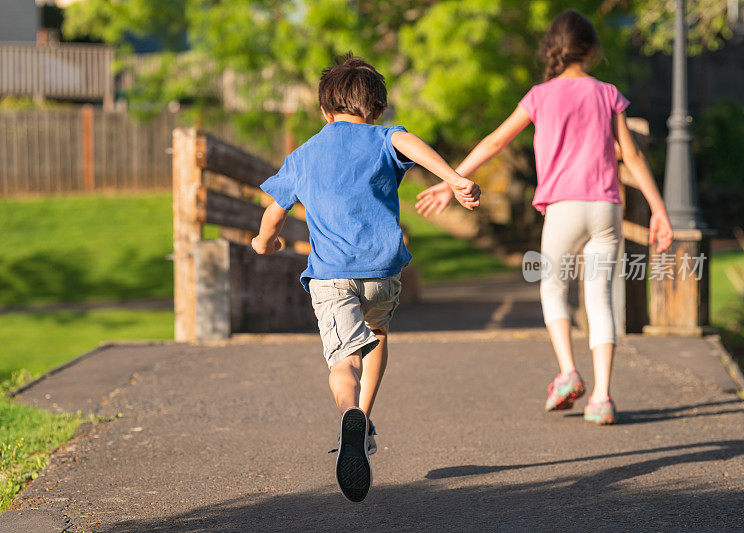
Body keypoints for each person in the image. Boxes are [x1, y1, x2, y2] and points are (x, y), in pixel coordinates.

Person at [415, 10, 673, 425]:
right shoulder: (607, 93)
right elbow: (634, 155)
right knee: (599, 298)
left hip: (564, 208)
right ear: (591, 51)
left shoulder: (539, 96)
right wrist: (659, 209)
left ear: (553, 49)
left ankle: (569, 373)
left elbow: (497, 140)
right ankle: (603, 398)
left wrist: (451, 180)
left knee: (553, 289)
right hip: (606, 207)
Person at [251, 53, 480, 501]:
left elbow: (274, 213)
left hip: (332, 276)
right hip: (382, 271)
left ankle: (349, 416)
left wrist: (264, 242)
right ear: (375, 109)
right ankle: (365, 425)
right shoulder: (384, 138)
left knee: (343, 361)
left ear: (324, 109)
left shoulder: (303, 154)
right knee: (375, 332)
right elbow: (409, 142)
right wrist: (453, 178)